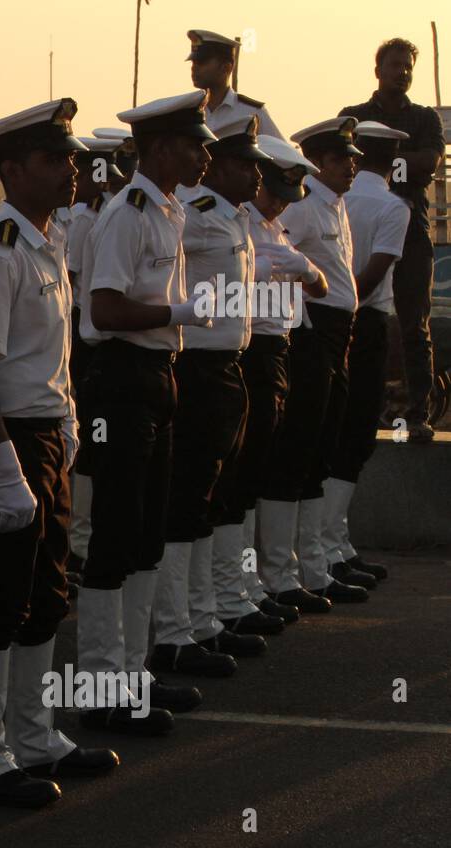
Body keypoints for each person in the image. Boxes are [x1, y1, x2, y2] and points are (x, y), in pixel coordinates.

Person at [0, 97, 120, 809]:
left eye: (73, 158)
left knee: (46, 596)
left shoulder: (50, 242)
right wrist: (5, 470)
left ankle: (34, 732)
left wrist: (70, 424)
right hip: (6, 439)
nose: (72, 170)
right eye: (55, 160)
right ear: (12, 171)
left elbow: (52, 356)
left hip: (46, 434)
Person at [75, 90, 217, 736]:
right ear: (160, 148)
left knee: (147, 532)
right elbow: (103, 311)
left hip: (159, 375)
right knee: (115, 533)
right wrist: (178, 313)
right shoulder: (127, 214)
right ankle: (103, 685)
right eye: (194, 143)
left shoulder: (167, 209)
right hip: (124, 378)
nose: (204, 153)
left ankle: (133, 672)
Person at [151, 116, 272, 676]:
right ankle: (175, 630)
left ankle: (205, 619)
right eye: (244, 164)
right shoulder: (195, 218)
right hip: (197, 367)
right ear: (218, 167)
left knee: (214, 499)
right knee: (186, 503)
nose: (255, 174)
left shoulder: (235, 218)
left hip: (229, 366)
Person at [259, 117, 368, 611]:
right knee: (297, 448)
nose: (352, 166)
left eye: (354, 159)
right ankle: (281, 573)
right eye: (343, 159)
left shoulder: (336, 205)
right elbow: (275, 252)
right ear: (319, 163)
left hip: (338, 330)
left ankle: (313, 565)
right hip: (310, 330)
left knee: (323, 446)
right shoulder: (302, 208)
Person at [215, 136, 324, 629]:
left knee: (256, 472)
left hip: (279, 350)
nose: (279, 202)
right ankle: (232, 589)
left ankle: (248, 582)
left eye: (287, 196)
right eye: (274, 191)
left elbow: (319, 284)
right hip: (250, 350)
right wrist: (264, 270)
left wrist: (304, 267)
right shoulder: (242, 225)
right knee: (237, 478)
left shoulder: (275, 229)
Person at [339, 39, 445, 443]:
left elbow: (429, 163)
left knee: (415, 324)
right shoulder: (354, 116)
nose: (402, 71)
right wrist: (403, 163)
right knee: (357, 314)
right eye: (395, 64)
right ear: (378, 69)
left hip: (410, 228)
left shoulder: (424, 118)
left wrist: (378, 164)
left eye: (407, 66)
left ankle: (417, 414)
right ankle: (356, 405)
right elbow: (341, 162)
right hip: (358, 226)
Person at [324, 121, 411, 581]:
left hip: (329, 323)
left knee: (330, 432)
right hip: (366, 320)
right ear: (391, 159)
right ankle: (332, 544)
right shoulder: (392, 207)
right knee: (356, 434)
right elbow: (375, 273)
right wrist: (351, 309)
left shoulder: (339, 199)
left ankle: (330, 544)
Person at [64, 135, 125, 579]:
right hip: (85, 337)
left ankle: (87, 534)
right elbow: (72, 282)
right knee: (88, 445)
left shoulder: (106, 216)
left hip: (98, 339)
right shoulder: (86, 220)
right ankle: (79, 539)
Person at [186, 29, 283, 140]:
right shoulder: (187, 111)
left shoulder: (252, 112)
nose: (194, 68)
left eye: (201, 62)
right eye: (193, 62)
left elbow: (281, 152)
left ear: (226, 67)